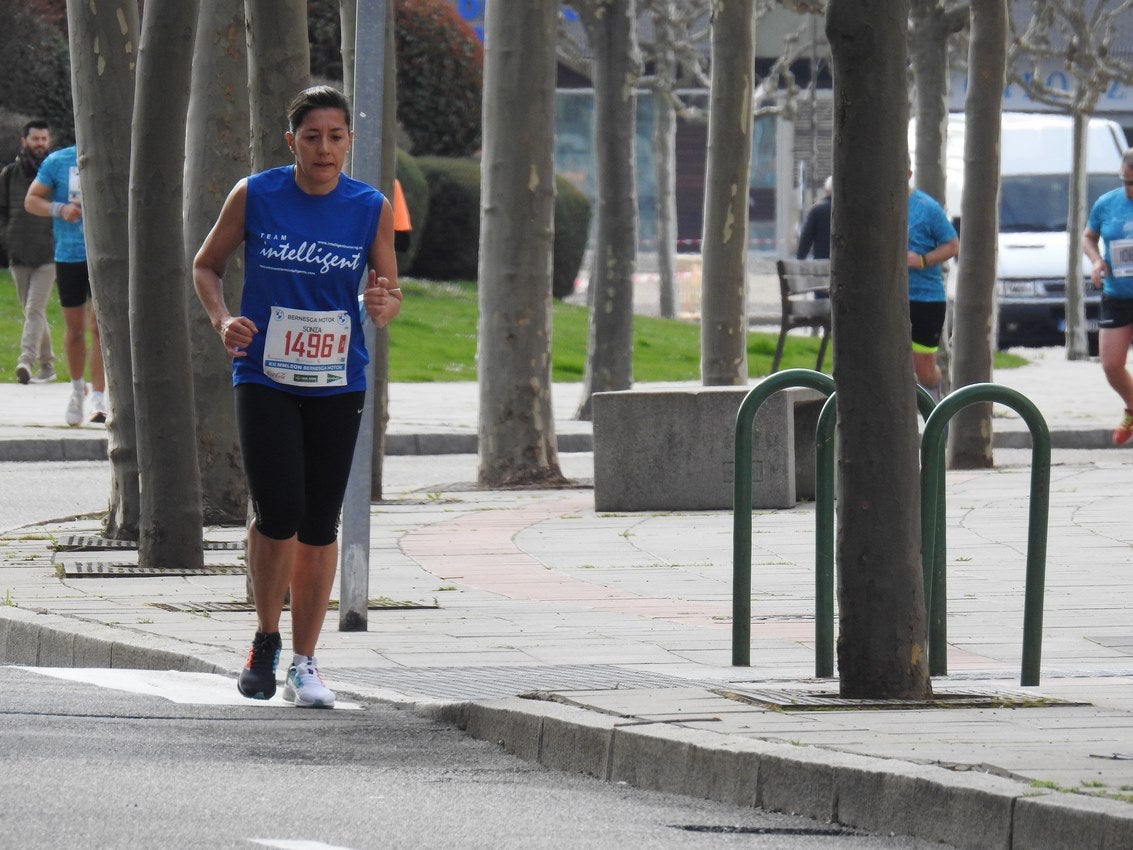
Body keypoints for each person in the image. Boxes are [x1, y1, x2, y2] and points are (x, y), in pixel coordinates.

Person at [193, 85, 402, 708]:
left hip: (339, 380)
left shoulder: (369, 206)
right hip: (264, 374)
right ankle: (265, 638)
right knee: (278, 509)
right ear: (292, 142)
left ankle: (307, 663)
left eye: (336, 137)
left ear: (349, 143)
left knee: (319, 521)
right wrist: (222, 320)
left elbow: (388, 290)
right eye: (312, 137)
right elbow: (207, 264)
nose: (324, 149)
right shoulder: (256, 194)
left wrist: (385, 304)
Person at [25, 143, 107, 425]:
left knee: (100, 327)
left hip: (106, 255)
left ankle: (99, 398)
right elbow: (31, 200)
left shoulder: (114, 153)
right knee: (75, 330)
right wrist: (59, 209)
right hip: (69, 255)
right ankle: (76, 390)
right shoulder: (58, 161)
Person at [1083, 148, 1133, 445]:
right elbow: (1089, 236)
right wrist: (1096, 261)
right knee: (1111, 365)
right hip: (1117, 293)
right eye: (1126, 182)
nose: (1130, 189)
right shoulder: (1107, 203)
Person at [1, 120, 56, 385]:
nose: (40, 144)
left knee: (35, 308)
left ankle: (26, 361)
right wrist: (6, 240)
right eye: (36, 139)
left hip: (48, 254)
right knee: (32, 311)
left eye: (44, 139)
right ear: (24, 141)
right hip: (18, 254)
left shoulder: (53, 173)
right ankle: (48, 365)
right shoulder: (9, 174)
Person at [906, 174, 959, 398]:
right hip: (889, 299)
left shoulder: (927, 207)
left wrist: (922, 260)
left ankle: (937, 407)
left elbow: (952, 245)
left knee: (923, 368)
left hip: (925, 299)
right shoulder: (876, 204)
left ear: (908, 174)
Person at [796, 175, 832, 261]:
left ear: (826, 190)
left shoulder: (817, 210)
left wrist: (800, 258)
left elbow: (805, 238)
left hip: (821, 264)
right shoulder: (850, 212)